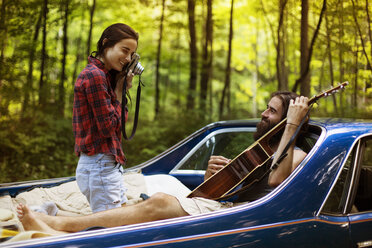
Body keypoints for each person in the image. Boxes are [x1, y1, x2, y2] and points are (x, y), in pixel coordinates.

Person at [17, 91, 309, 234]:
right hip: (226, 207)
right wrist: (212, 176)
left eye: (271, 111)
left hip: (250, 219)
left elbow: (275, 181)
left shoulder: (296, 153)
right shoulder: (264, 148)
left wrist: (293, 129)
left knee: (158, 202)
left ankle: (61, 226)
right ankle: (66, 225)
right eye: (266, 108)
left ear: (287, 120)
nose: (263, 114)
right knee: (151, 203)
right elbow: (222, 192)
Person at [73, 23, 139, 213]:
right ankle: (48, 219)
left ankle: (50, 213)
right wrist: (119, 91)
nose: (127, 59)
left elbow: (118, 124)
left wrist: (121, 86)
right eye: (124, 51)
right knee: (109, 227)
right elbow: (109, 128)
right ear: (106, 43)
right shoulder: (94, 76)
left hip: (105, 163)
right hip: (100, 164)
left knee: (121, 214)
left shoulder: (104, 76)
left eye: (131, 55)